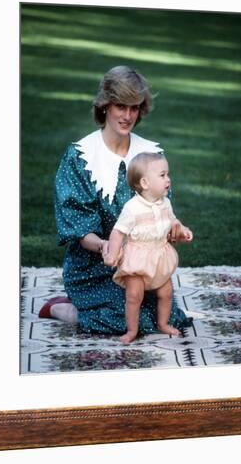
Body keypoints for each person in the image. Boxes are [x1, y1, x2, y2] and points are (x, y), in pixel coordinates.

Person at [39, 65, 193, 336]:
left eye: (134, 107)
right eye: (121, 106)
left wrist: (172, 230)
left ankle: (91, 310)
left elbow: (161, 211)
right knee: (124, 320)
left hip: (142, 265)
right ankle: (63, 308)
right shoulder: (80, 157)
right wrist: (106, 247)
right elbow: (78, 226)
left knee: (169, 317)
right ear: (105, 106)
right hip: (94, 266)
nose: (128, 115)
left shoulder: (150, 154)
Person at [103, 152, 193, 343]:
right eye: (162, 175)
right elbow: (118, 232)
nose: (168, 179)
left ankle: (163, 323)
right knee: (134, 295)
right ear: (145, 183)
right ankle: (132, 330)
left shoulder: (165, 203)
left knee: (166, 292)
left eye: (168, 174)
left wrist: (182, 229)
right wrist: (112, 253)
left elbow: (173, 221)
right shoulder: (132, 208)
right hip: (137, 258)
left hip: (159, 255)